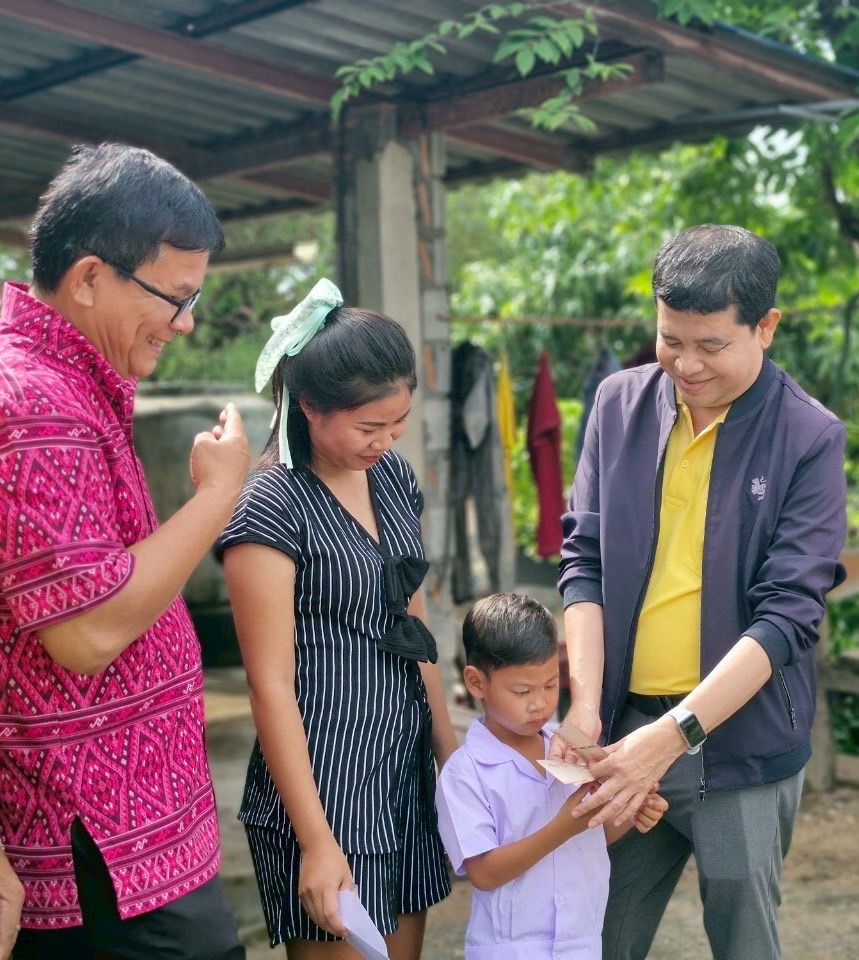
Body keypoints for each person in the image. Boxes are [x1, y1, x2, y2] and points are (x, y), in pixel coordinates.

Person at [555, 224, 847, 960]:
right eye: (668, 339)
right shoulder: (617, 404)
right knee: (591, 940)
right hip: (620, 734)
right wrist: (587, 707)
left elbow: (787, 618)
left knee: (744, 944)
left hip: (738, 752)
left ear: (765, 326)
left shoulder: (806, 436)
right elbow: (582, 560)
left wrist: (674, 736)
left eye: (709, 344)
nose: (684, 364)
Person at [0, 143, 251, 960]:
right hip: (98, 834)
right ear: (89, 278)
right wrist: (216, 497)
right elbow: (86, 632)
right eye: (173, 297)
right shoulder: (37, 405)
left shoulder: (69, 381)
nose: (186, 322)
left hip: (128, 825)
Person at [217, 278, 456, 959]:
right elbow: (270, 685)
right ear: (311, 408)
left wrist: (448, 754)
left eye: (398, 422)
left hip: (399, 769)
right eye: (368, 426)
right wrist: (317, 842)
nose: (386, 440)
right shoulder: (269, 506)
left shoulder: (393, 478)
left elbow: (415, 625)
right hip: (323, 785)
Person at [436, 593, 667, 960]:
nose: (540, 703)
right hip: (512, 948)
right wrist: (562, 827)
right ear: (476, 683)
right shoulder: (465, 772)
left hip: (583, 941)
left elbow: (590, 835)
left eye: (549, 685)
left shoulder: (572, 743)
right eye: (522, 691)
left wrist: (629, 808)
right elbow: (483, 872)